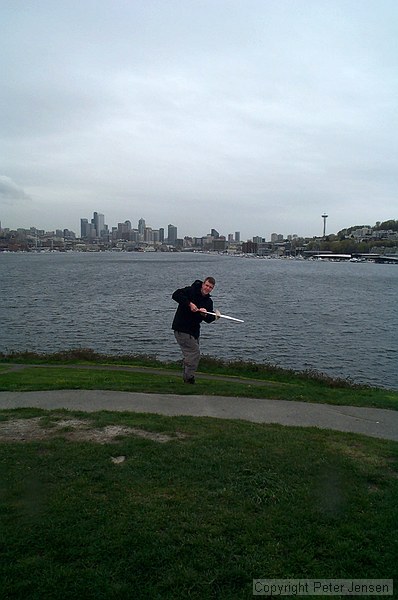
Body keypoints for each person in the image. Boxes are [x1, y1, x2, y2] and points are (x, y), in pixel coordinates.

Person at [171, 277, 220, 383]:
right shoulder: (190, 291)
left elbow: (209, 319)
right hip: (182, 328)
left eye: (210, 287)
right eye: (206, 285)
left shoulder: (208, 301)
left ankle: (186, 377)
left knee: (191, 355)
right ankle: (189, 378)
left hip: (194, 331)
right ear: (203, 284)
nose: (208, 288)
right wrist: (190, 304)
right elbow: (175, 295)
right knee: (194, 353)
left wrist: (205, 314)